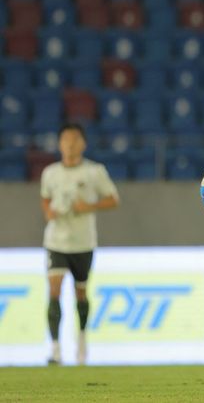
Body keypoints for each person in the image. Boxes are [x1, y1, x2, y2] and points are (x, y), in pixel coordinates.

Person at [40, 123, 120, 365]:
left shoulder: (94, 172)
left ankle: (82, 341)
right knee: (54, 289)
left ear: (83, 144)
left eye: (75, 139)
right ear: (60, 144)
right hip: (56, 240)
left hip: (83, 241)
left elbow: (113, 199)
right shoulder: (50, 172)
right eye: (66, 139)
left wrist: (90, 206)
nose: (70, 144)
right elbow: (45, 199)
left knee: (81, 292)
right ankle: (55, 349)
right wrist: (49, 213)